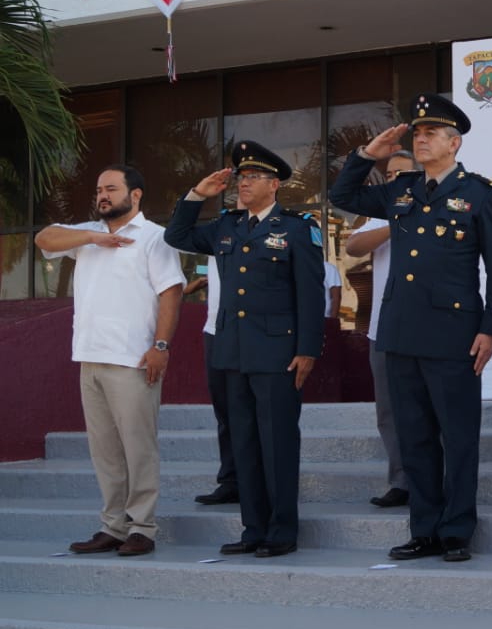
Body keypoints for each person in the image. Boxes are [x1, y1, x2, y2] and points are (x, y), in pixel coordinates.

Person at [329, 93, 492, 564]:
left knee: (458, 434)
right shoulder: (401, 189)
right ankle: (424, 529)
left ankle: (456, 531)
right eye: (418, 133)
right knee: (415, 436)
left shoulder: (480, 192)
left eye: (431, 133)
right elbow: (342, 197)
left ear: (454, 142)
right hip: (401, 331)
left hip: (455, 334)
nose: (421, 138)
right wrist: (369, 155)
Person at [165, 140, 326, 558]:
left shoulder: (296, 227)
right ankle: (253, 529)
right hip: (232, 353)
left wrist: (308, 348)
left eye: (253, 177)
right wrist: (198, 194)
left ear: (274, 184)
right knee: (245, 443)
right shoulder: (227, 225)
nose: (243, 183)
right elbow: (177, 235)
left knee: (277, 443)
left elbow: (311, 294)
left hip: (278, 353)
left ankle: (282, 531)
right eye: (241, 177)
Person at [36, 164, 184, 556]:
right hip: (90, 356)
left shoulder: (155, 238)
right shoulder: (88, 234)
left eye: (111, 188)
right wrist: (91, 237)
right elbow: (43, 238)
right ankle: (113, 526)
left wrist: (161, 346)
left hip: (134, 358)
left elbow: (171, 293)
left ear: (134, 195)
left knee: (138, 446)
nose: (102, 195)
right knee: (104, 449)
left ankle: (143, 528)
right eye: (99, 189)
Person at [346, 149, 416, 508]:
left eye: (400, 174)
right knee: (388, 411)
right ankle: (401, 480)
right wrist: (394, 222)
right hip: (382, 329)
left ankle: (430, 478)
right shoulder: (383, 212)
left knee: (426, 410)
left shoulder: (431, 205)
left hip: (423, 330)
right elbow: (352, 245)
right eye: (388, 176)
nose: (393, 181)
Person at [185, 256, 238, 505]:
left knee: (257, 414)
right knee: (225, 413)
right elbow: (178, 234)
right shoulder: (217, 232)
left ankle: (263, 481)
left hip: (255, 332)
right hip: (215, 331)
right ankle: (231, 482)